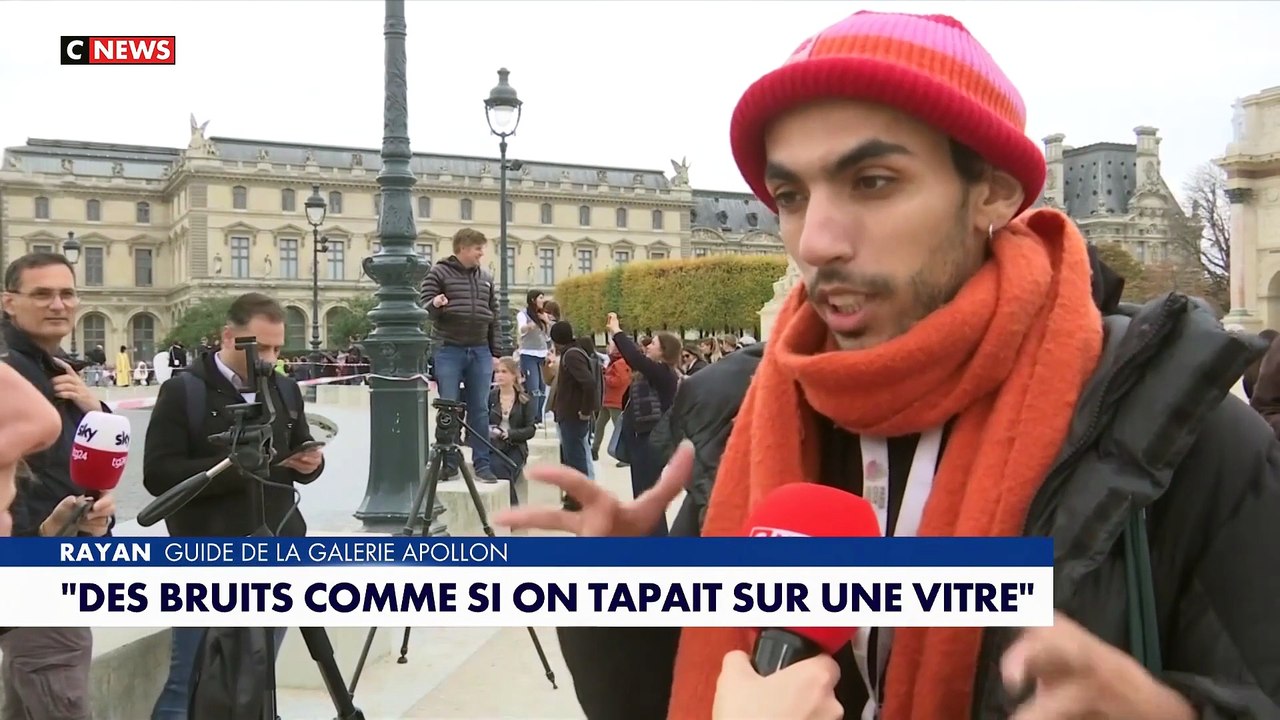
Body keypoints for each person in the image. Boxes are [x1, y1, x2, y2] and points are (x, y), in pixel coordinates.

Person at [498, 10, 1279, 720]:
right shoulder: (747, 423)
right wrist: (622, 587)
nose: (816, 240)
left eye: (873, 182)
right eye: (791, 195)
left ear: (994, 195)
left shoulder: (1188, 438)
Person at [143, 292, 326, 720]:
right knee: (188, 679)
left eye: (278, 348)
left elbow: (296, 456)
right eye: (260, 347)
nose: (270, 358)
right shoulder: (183, 391)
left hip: (280, 544)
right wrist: (238, 467)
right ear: (228, 337)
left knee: (256, 675)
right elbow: (159, 476)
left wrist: (310, 463)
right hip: (207, 553)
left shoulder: (284, 388)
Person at [0, 251, 118, 720]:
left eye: (67, 293)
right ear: (9, 303)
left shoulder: (53, 368)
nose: (58, 304)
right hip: (37, 570)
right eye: (42, 294)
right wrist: (43, 538)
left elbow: (89, 459)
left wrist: (96, 409)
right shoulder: (12, 372)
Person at [420, 228, 500, 481]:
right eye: (478, 248)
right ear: (464, 248)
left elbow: (494, 318)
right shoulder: (438, 273)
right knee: (449, 407)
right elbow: (424, 309)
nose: (481, 253)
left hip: (479, 350)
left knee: (480, 409)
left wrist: (495, 352)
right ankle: (449, 462)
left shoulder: (486, 278)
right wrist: (435, 304)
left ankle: (482, 465)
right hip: (449, 349)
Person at [605, 313, 681, 537]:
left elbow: (635, 359)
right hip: (641, 441)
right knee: (643, 495)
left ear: (664, 351)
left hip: (650, 444)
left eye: (654, 344)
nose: (648, 346)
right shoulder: (652, 374)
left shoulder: (663, 373)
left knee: (647, 496)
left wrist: (617, 331)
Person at [488, 357, 537, 506]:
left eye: (504, 372)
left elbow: (530, 429)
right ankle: (514, 510)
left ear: (514, 375)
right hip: (495, 445)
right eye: (497, 372)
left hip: (516, 446)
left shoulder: (525, 400)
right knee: (497, 466)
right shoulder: (491, 396)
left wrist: (510, 434)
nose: (499, 375)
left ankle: (513, 511)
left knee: (506, 467)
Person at [516, 289, 553, 420]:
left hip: (542, 355)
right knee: (533, 387)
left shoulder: (543, 315)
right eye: (540, 298)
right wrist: (529, 326)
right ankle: (531, 417)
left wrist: (547, 322)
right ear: (533, 300)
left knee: (542, 388)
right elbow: (521, 329)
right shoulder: (523, 314)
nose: (543, 301)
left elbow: (548, 337)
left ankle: (538, 416)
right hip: (528, 354)